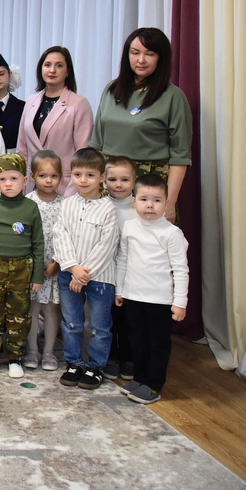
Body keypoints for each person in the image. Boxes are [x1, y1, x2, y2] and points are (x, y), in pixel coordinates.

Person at [89, 27, 192, 222]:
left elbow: (180, 156)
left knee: (149, 239)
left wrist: (169, 201)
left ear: (161, 58)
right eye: (135, 53)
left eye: (149, 54)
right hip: (111, 184)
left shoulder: (173, 96)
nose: (141, 60)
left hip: (150, 186)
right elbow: (97, 146)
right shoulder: (112, 89)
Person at [115, 174, 189, 405]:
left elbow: (181, 270)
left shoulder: (171, 233)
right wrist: (120, 290)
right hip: (133, 296)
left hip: (160, 300)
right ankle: (140, 378)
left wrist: (180, 303)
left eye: (157, 200)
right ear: (134, 201)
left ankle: (154, 384)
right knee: (137, 340)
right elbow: (123, 260)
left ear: (166, 203)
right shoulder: (130, 227)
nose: (150, 205)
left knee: (158, 344)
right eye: (144, 199)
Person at [0, 153, 44, 378]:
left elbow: (38, 243)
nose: (8, 184)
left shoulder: (31, 207)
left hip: (22, 269)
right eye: (2, 179)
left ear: (25, 180)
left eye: (14, 179)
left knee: (19, 314)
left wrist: (37, 275)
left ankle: (15, 357)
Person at [52, 148, 119, 391]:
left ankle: (95, 366)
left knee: (99, 326)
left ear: (102, 177)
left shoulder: (109, 208)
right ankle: (74, 363)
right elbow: (60, 235)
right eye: (77, 174)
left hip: (100, 278)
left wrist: (83, 274)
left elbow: (107, 245)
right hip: (69, 274)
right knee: (72, 322)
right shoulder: (67, 204)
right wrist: (73, 267)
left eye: (90, 175)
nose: (83, 180)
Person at [17, 47, 93, 195]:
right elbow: (22, 149)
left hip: (64, 186)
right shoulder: (31, 102)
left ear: (68, 71)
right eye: (47, 65)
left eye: (59, 65)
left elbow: (83, 155)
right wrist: (21, 184)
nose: (52, 70)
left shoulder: (79, 104)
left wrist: (72, 191)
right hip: (32, 186)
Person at [23, 151, 64, 372]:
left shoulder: (65, 205)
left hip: (54, 267)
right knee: (32, 309)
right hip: (32, 268)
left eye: (54, 176)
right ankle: (32, 349)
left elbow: (67, 238)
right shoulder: (27, 203)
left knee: (50, 310)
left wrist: (56, 263)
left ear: (60, 177)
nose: (48, 181)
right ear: (32, 177)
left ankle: (49, 351)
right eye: (43, 176)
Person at [103, 154, 138, 381]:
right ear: (103, 180)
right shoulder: (101, 205)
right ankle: (110, 357)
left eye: (124, 180)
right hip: (106, 275)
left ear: (134, 181)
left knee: (128, 321)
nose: (118, 185)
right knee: (107, 320)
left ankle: (128, 358)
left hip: (131, 277)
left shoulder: (139, 208)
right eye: (112, 179)